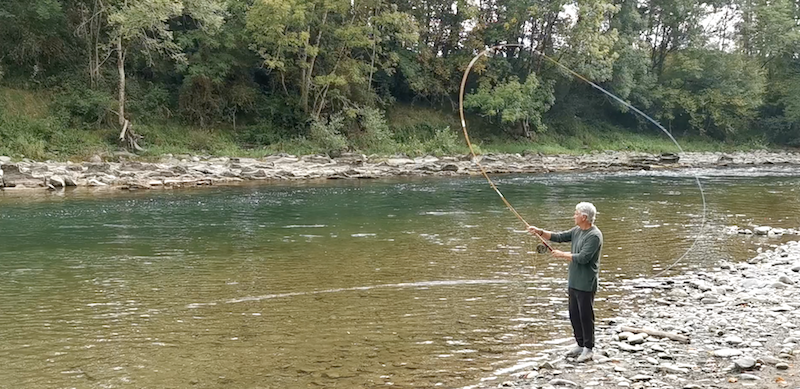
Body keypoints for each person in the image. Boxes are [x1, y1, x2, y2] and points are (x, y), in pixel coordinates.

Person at [528, 202, 603, 363]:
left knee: (585, 315)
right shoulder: (577, 231)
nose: (573, 216)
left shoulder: (594, 235)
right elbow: (559, 237)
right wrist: (539, 232)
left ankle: (588, 349)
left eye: (576, 213)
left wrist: (562, 255)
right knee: (574, 314)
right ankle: (580, 344)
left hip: (586, 282)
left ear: (584, 217)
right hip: (574, 281)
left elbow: (583, 258)